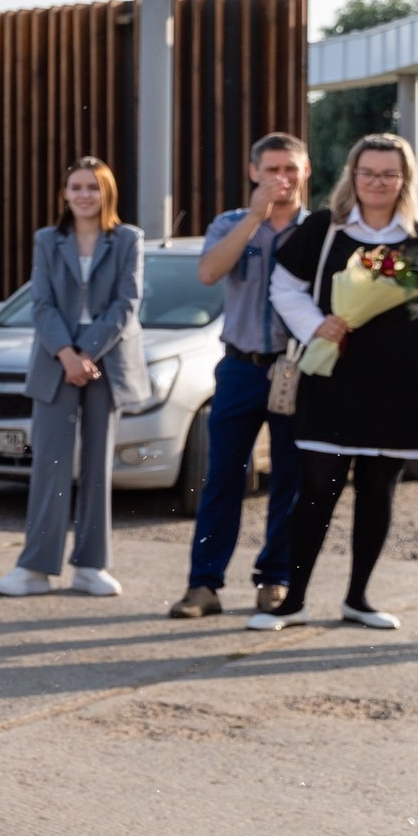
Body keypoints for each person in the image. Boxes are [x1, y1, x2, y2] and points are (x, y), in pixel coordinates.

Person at [250, 132, 418, 631]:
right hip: (335, 378)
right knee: (316, 490)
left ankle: (358, 599)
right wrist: (314, 324)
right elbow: (285, 286)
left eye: (389, 174)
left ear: (404, 179)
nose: (377, 182)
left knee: (378, 491)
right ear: (353, 175)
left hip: (401, 380)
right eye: (367, 172)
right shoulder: (326, 228)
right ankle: (293, 602)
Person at [170, 133, 309, 618]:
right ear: (253, 173)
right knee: (223, 478)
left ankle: (275, 581)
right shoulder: (229, 223)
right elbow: (209, 273)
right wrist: (254, 217)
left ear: (306, 171)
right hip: (240, 367)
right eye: (271, 170)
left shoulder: (319, 229)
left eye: (290, 169)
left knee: (290, 481)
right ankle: (203, 586)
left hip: (297, 369)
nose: (281, 179)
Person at [0, 159, 145, 598]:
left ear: (107, 193)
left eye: (93, 188)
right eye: (76, 187)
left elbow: (127, 303)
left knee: (98, 464)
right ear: (64, 193)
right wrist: (67, 355)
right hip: (55, 361)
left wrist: (87, 353)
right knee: (50, 464)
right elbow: (40, 303)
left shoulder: (128, 239)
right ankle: (35, 569)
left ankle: (91, 566)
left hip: (106, 360)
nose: (84, 195)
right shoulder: (47, 239)